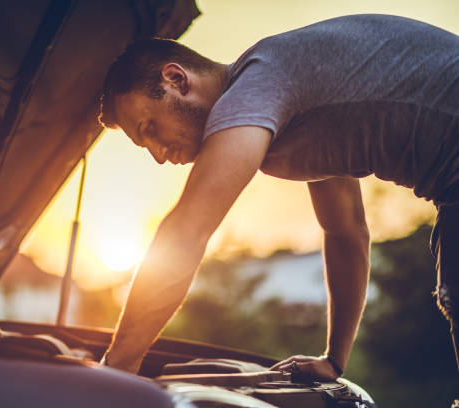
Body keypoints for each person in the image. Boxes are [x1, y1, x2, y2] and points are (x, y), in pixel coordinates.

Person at [96, 13, 459, 385]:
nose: (158, 155)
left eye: (150, 128)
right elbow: (345, 230)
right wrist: (334, 360)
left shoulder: (257, 85)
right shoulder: (298, 102)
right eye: (145, 146)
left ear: (176, 80)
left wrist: (117, 367)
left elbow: (186, 234)